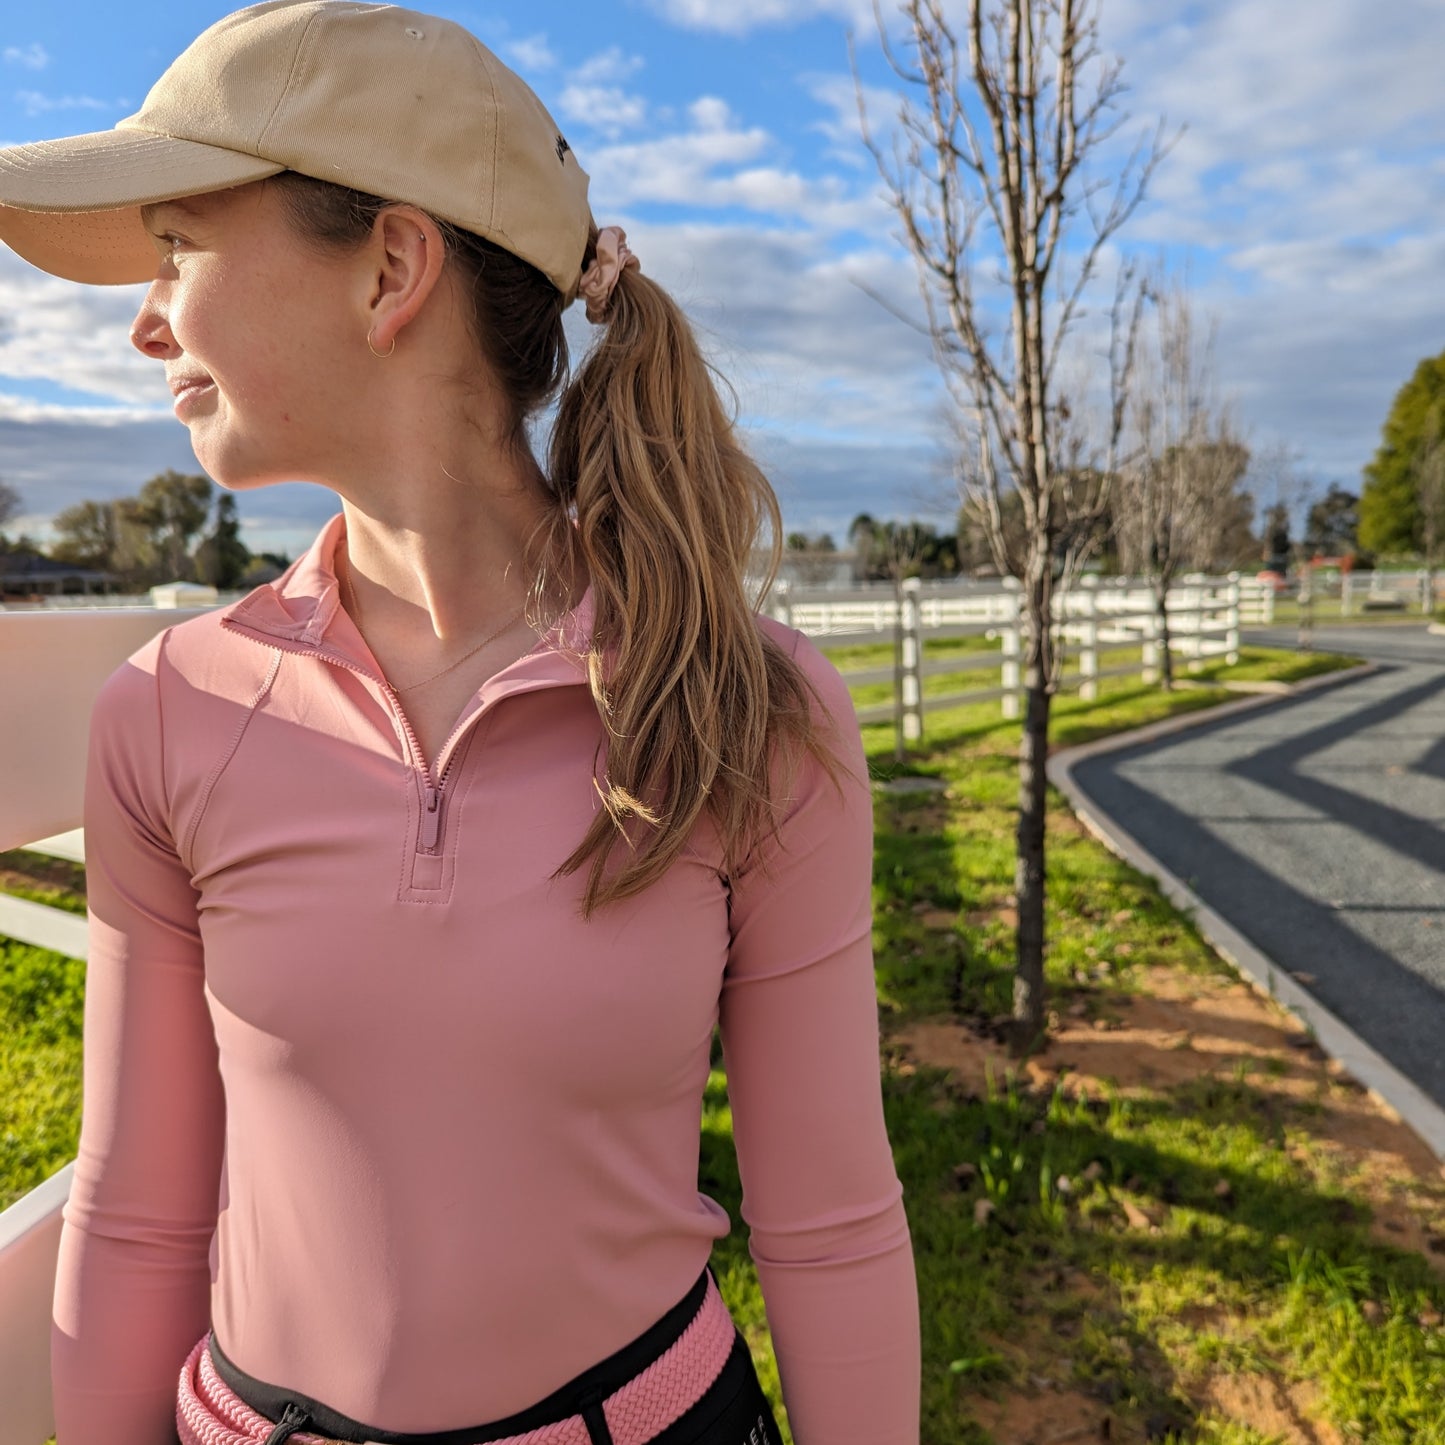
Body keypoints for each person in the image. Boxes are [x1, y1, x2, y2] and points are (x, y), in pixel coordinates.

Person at [0, 4, 921, 1443]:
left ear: (388, 267)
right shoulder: (170, 712)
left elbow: (831, 1224)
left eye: (179, 244)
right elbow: (132, 1214)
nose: (144, 318)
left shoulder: (750, 709)